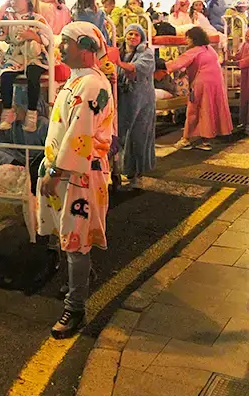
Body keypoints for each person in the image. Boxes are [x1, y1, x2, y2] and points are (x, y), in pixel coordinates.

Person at [36, 21, 114, 339]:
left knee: (75, 240)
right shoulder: (77, 81)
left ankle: (75, 307)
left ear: (84, 47)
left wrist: (55, 173)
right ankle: (79, 279)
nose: (59, 47)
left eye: (64, 42)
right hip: (69, 173)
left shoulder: (91, 86)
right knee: (69, 239)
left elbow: (78, 136)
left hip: (78, 175)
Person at [164, 26, 232, 151]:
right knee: (209, 108)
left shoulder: (194, 50)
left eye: (188, 38)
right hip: (216, 82)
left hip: (202, 83)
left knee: (194, 109)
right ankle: (206, 140)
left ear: (193, 38)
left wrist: (160, 66)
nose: (186, 41)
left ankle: (186, 139)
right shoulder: (209, 48)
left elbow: (177, 64)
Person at [0, 0, 51, 132]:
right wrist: (6, 4)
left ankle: (32, 113)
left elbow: (47, 38)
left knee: (33, 75)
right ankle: (7, 110)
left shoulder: (37, 18)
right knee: (6, 76)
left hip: (33, 55)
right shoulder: (9, 17)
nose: (13, 2)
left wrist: (33, 36)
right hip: (15, 55)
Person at [116, 24, 156, 184]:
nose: (132, 37)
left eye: (136, 35)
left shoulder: (146, 53)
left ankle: (137, 169)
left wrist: (117, 63)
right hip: (123, 98)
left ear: (142, 38)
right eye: (130, 34)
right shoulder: (120, 53)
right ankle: (121, 168)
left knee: (139, 134)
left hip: (142, 100)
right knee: (121, 134)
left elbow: (136, 69)